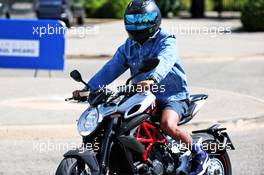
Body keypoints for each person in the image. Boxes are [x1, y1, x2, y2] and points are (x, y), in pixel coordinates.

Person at [73, 0, 210, 174]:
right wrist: (89, 88)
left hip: (172, 97)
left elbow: (165, 60)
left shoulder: (166, 40)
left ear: (156, 19)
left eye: (143, 20)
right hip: (142, 96)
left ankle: (200, 155)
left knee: (167, 124)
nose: (138, 25)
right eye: (133, 21)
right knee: (117, 119)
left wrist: (153, 79)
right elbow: (110, 68)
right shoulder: (128, 47)